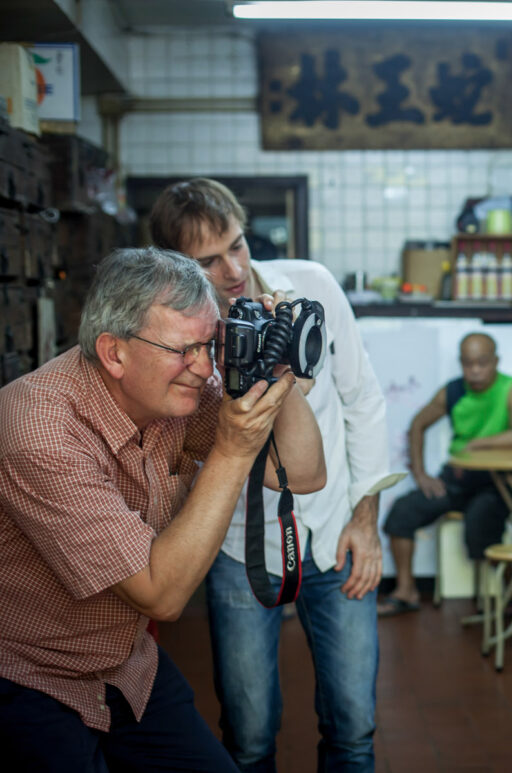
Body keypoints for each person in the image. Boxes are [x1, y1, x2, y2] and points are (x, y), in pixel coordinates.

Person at [0, 247, 325, 771]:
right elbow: (163, 595)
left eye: (211, 343)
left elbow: (305, 473)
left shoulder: (173, 387)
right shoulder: (39, 431)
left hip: (124, 665)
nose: (203, 367)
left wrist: (273, 370)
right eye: (185, 349)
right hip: (29, 676)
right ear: (114, 353)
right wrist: (233, 448)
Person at [149, 178, 400, 772]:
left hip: (335, 530)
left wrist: (368, 520)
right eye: (207, 261)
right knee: (249, 734)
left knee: (354, 728)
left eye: (237, 245)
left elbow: (363, 400)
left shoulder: (310, 285)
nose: (234, 268)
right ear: (172, 266)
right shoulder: (178, 334)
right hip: (238, 547)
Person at [380, 332, 512, 615]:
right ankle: (405, 591)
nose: (475, 371)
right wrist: (421, 474)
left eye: (482, 363)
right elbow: (417, 425)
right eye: (468, 364)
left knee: (481, 524)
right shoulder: (453, 391)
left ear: (495, 361)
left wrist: (478, 443)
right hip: (457, 479)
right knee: (403, 511)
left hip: (496, 481)